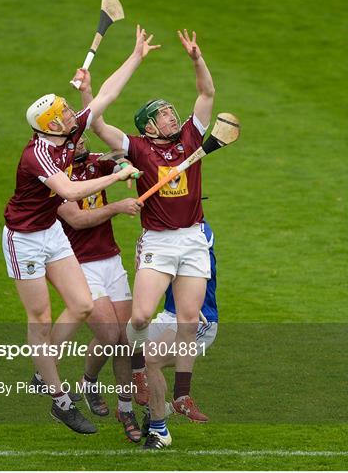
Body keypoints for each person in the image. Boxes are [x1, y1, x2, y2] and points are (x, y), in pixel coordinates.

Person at [2, 26, 159, 434]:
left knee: (84, 306)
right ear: (51, 125)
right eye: (65, 114)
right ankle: (59, 399)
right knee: (40, 316)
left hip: (50, 233)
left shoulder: (68, 132)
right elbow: (69, 191)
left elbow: (106, 94)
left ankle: (43, 369)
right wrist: (113, 180)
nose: (74, 114)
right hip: (24, 239)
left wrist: (137, 55)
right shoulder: (37, 156)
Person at [88, 29, 216, 449]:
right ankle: (141, 364)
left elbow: (207, 95)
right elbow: (99, 124)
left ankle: (160, 411)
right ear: (147, 124)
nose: (171, 116)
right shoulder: (138, 148)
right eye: (162, 114)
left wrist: (197, 59)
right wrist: (92, 91)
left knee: (189, 322)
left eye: (171, 112)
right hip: (159, 243)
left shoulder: (191, 139)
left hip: (193, 240)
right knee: (140, 317)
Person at [57, 135, 143, 443]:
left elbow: (118, 155)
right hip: (79, 265)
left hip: (111, 261)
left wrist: (123, 163)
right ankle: (89, 382)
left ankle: (126, 408)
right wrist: (118, 206)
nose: (80, 143)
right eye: (73, 140)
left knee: (125, 339)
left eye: (81, 138)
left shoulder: (93, 162)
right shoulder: (55, 176)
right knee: (108, 334)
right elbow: (78, 220)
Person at [140, 219, 218, 436]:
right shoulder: (157, 231)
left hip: (200, 322)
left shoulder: (201, 232)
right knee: (127, 350)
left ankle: (162, 419)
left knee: (151, 358)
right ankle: (158, 410)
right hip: (168, 316)